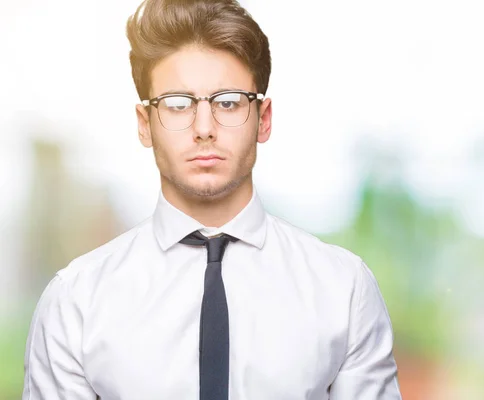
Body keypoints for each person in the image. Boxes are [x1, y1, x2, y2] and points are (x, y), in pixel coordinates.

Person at [22, 0, 402, 399]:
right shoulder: (77, 301)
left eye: (228, 102)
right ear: (144, 124)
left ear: (264, 119)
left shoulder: (342, 289)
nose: (204, 128)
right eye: (177, 104)